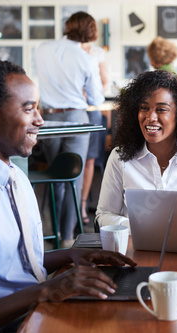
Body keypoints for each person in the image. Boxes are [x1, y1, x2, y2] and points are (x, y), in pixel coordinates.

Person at [0, 58, 136, 332]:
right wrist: (46, 291)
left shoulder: (14, 175)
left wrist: (70, 256)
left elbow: (13, 263)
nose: (40, 120)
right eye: (29, 109)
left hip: (36, 310)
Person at [95, 70, 177, 228]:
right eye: (144, 108)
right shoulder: (120, 157)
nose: (150, 117)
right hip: (133, 249)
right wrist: (137, 228)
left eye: (161, 109)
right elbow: (104, 214)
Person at [35, 11, 105, 247]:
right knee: (73, 177)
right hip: (76, 118)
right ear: (90, 31)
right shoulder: (87, 58)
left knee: (56, 177)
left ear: (68, 26)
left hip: (49, 119)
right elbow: (96, 97)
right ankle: (67, 240)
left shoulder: (43, 48)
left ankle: (54, 237)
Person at [80, 38, 110, 224]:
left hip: (92, 110)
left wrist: (93, 94)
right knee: (74, 160)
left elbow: (105, 82)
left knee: (89, 159)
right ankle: (69, 206)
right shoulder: (67, 52)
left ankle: (82, 205)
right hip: (73, 109)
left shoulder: (98, 53)